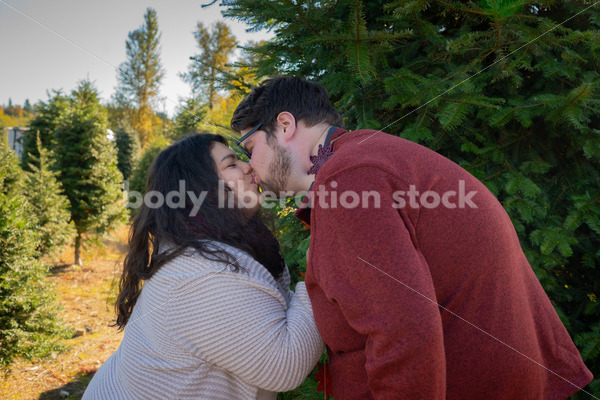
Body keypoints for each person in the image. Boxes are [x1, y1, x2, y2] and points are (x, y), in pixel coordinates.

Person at [230, 76, 594, 400]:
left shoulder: (350, 178)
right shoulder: (370, 159)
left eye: (250, 148)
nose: (249, 166)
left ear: (285, 124)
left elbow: (403, 330)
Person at [83, 133, 323, 400]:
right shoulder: (202, 276)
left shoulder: (209, 245)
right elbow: (286, 365)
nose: (248, 167)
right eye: (231, 164)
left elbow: (276, 311)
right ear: (201, 190)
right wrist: (325, 258)